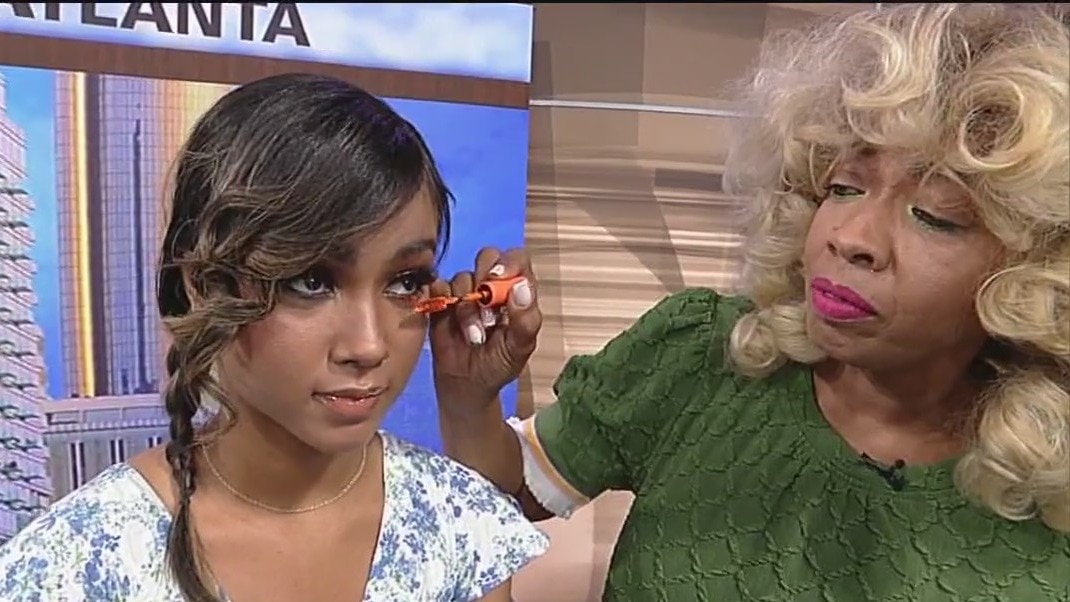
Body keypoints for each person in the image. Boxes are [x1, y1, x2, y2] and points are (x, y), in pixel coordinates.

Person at [430, 4, 1070, 600]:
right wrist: (468, 397)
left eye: (934, 215)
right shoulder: (702, 354)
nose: (850, 237)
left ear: (1033, 271)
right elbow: (504, 496)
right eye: (844, 187)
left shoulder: (1050, 483)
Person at [0, 73, 547, 601]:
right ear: (203, 285)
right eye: (311, 281)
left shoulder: (458, 523)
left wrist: (471, 403)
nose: (368, 345)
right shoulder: (71, 566)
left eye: (404, 281)